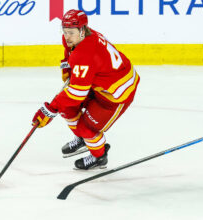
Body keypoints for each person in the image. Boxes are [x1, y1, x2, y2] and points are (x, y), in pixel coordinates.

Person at [31, 9, 140, 170]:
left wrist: (50, 109)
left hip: (116, 93)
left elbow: (76, 93)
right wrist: (68, 69)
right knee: (66, 108)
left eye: (71, 32)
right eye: (64, 31)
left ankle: (99, 156)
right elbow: (69, 54)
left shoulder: (85, 54)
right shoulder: (79, 38)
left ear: (82, 31)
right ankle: (83, 139)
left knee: (86, 128)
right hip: (97, 81)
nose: (66, 36)